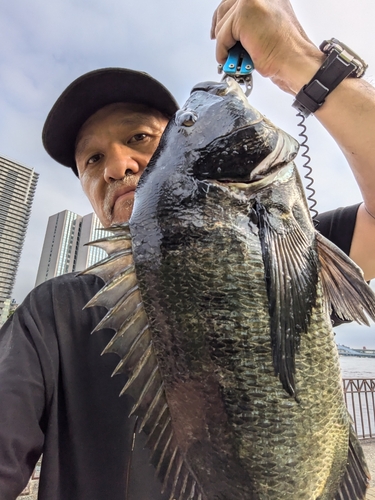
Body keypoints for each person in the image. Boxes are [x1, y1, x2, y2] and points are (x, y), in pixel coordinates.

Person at [1, 1, 375, 499]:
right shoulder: (50, 315)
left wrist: (302, 61)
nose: (117, 166)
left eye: (139, 137)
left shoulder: (284, 248)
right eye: (92, 159)